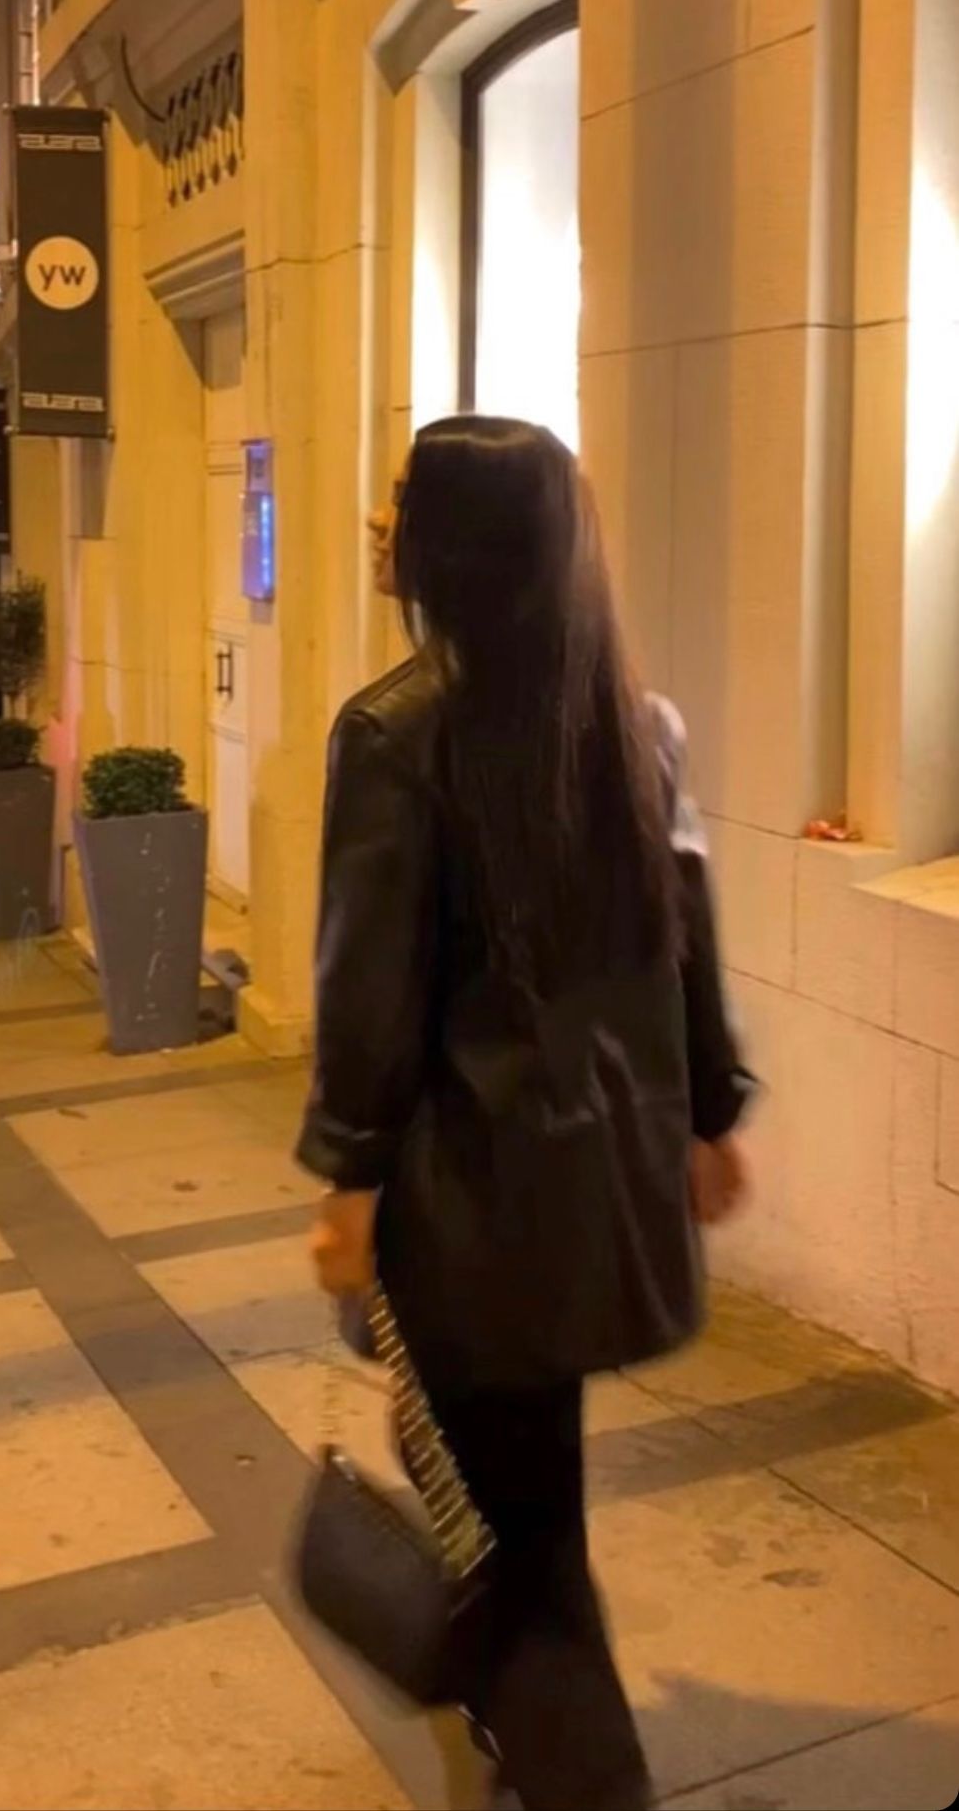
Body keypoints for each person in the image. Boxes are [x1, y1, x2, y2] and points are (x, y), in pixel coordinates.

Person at [296, 416, 754, 1811]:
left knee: (517, 1538)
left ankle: (574, 1767)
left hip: (465, 1198)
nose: (380, 526)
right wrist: (710, 1113)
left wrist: (349, 1183)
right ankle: (521, 1731)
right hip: (592, 1188)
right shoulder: (633, 722)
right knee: (521, 1491)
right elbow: (684, 936)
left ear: (457, 543)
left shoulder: (395, 731)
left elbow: (369, 990)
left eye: (401, 503)